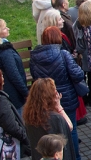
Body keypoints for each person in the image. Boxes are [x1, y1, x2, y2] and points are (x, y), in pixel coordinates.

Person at [28, 26, 86, 158]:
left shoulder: (35, 56)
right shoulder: (63, 54)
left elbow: (34, 75)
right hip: (66, 97)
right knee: (70, 131)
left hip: (43, 98)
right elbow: (77, 75)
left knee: (48, 131)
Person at [24, 78, 76, 160]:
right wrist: (59, 107)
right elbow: (69, 126)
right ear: (49, 95)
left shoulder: (29, 116)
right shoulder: (55, 118)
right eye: (54, 90)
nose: (56, 92)